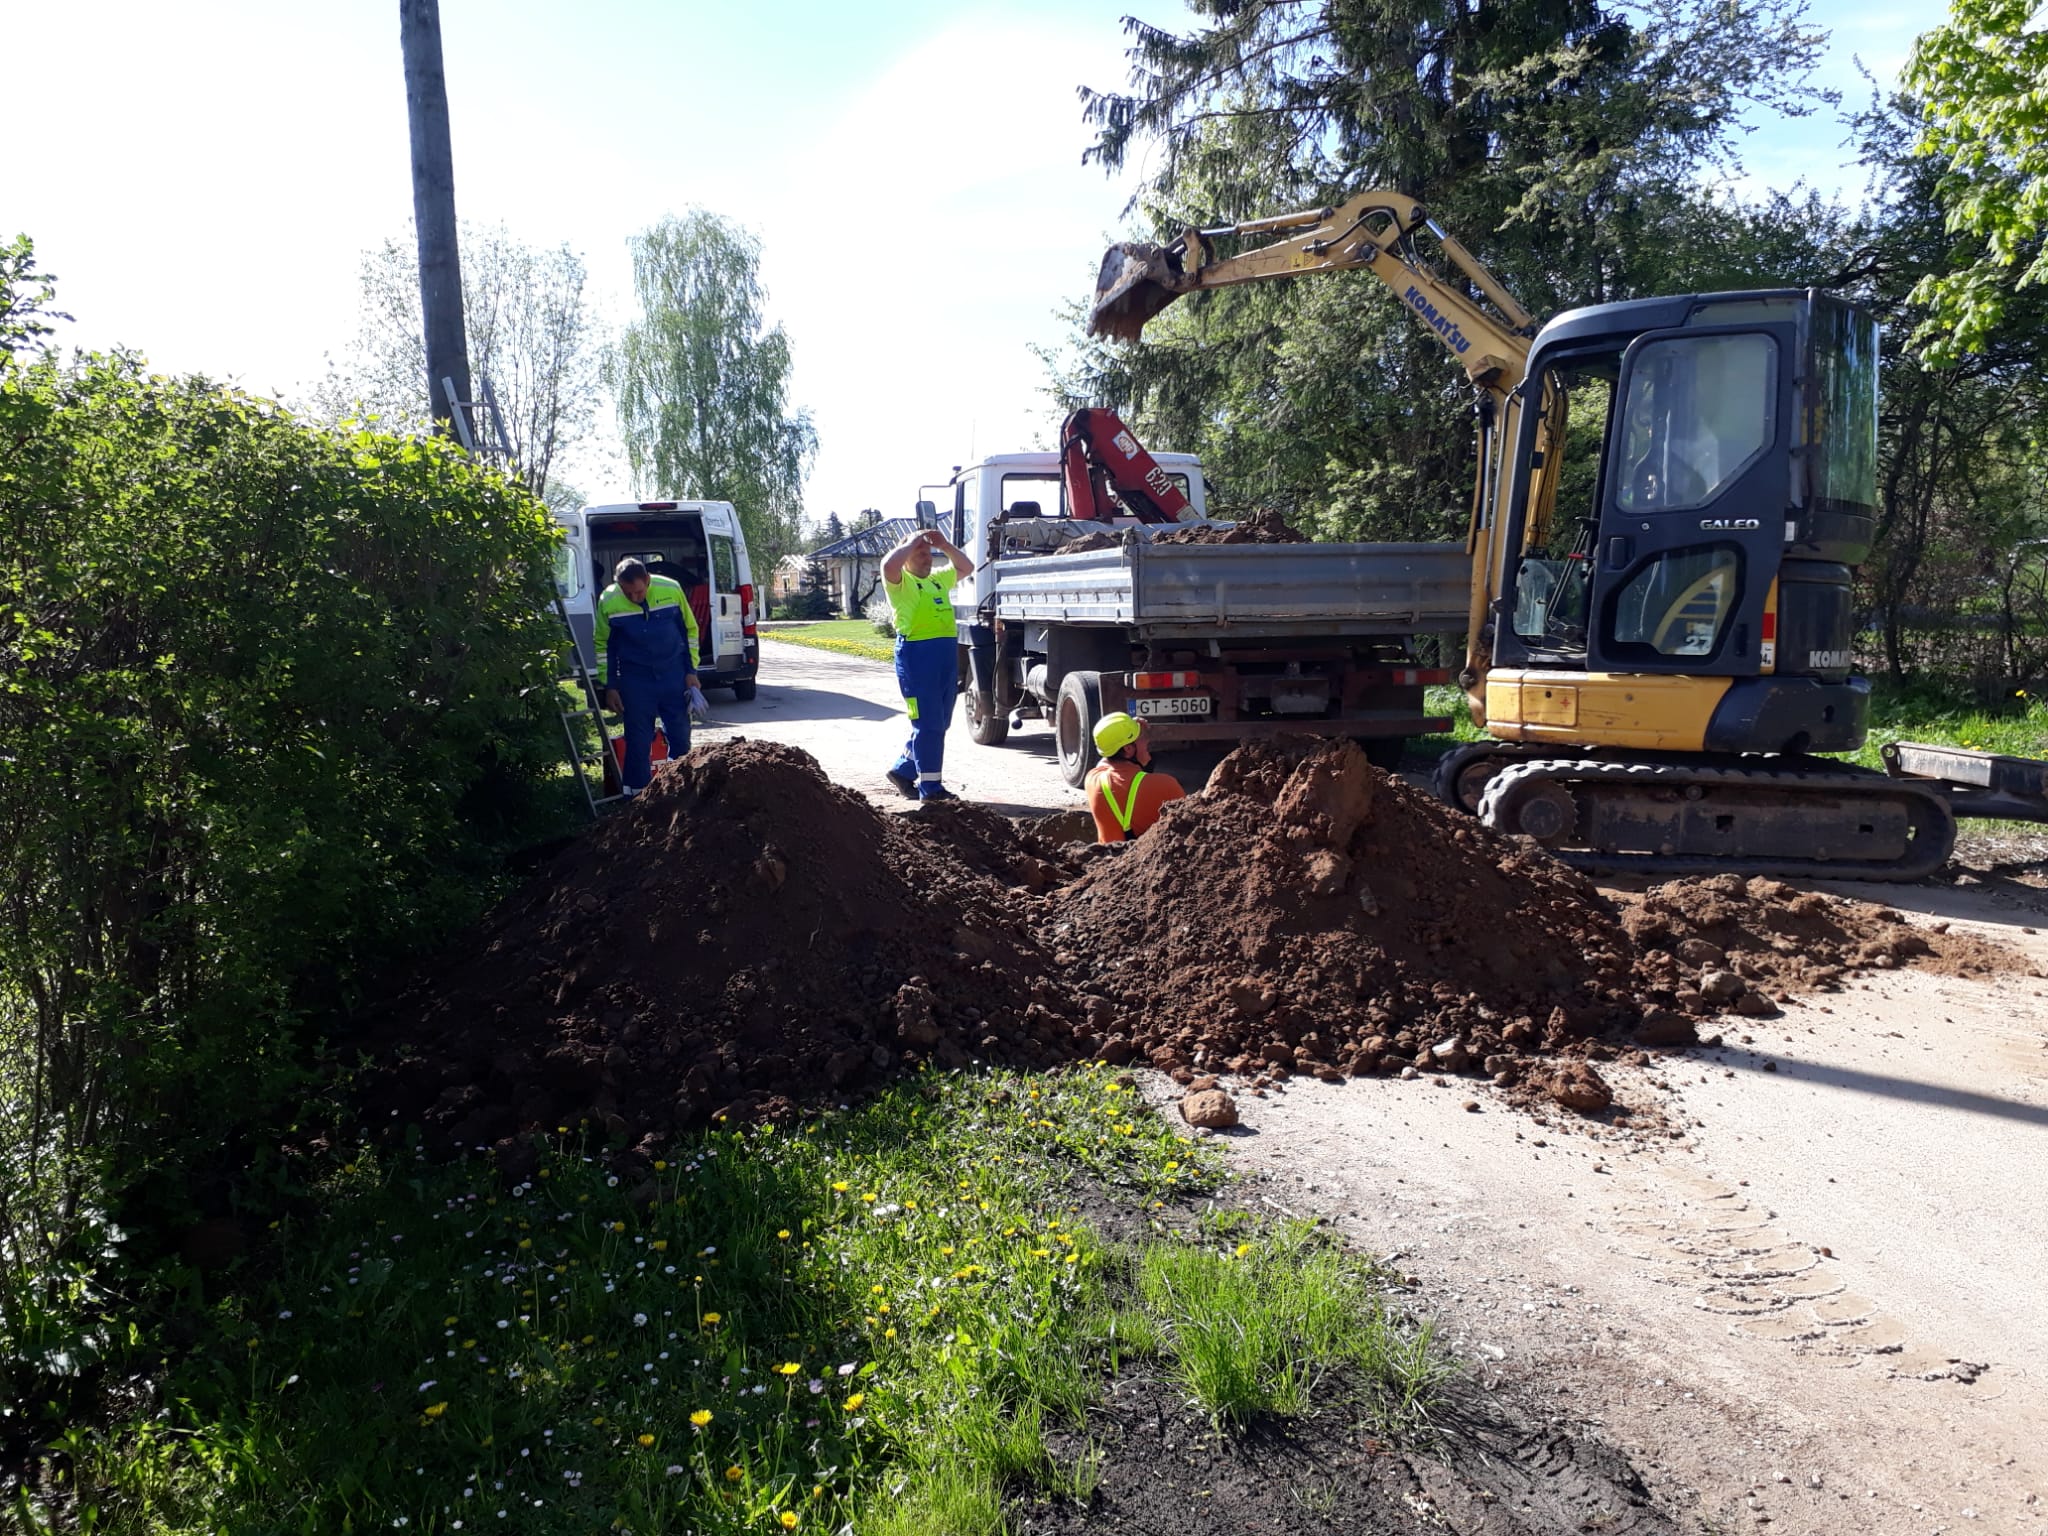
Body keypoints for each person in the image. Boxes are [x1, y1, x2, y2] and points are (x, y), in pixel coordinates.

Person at [594, 556, 702, 798]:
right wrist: (610, 686)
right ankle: (637, 800)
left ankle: (680, 792)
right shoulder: (609, 600)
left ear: (648, 580)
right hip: (636, 680)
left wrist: (691, 671)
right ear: (617, 584)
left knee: (680, 736)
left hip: (673, 675)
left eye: (639, 592)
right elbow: (604, 646)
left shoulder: (671, 589)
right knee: (638, 741)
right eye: (627, 593)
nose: (634, 598)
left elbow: (690, 631)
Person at [881, 525, 973, 801]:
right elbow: (888, 563)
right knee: (928, 723)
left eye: (928, 552)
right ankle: (931, 789)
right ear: (907, 555)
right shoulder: (900, 581)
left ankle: (903, 770)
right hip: (916, 659)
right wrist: (912, 542)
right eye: (919, 552)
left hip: (944, 656)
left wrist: (943, 545)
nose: (926, 557)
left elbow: (966, 566)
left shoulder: (937, 579)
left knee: (939, 722)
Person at [1084, 711, 1186, 843]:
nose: (1147, 740)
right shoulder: (1166, 785)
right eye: (1141, 738)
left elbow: (1107, 762)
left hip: (1108, 860)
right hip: (1149, 862)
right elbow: (1191, 825)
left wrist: (1121, 731)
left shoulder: (1092, 779)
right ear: (1128, 749)